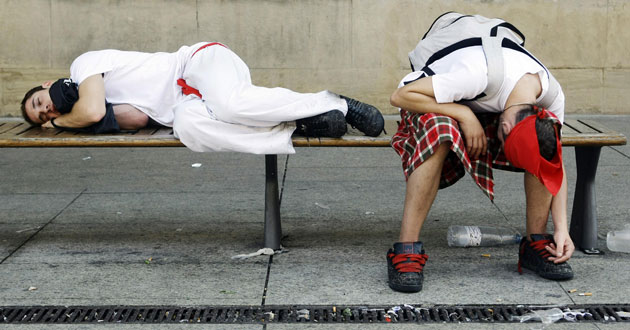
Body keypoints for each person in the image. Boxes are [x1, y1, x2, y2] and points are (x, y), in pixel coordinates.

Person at [386, 14, 574, 293]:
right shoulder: (475, 75)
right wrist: (464, 114)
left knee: (545, 137)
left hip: (491, 100)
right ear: (504, 126)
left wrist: (562, 229)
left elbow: (551, 159)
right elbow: (400, 96)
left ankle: (537, 242)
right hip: (436, 97)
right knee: (440, 128)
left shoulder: (550, 92)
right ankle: (406, 250)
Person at [21, 42, 384, 154]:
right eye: (40, 117)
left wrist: (57, 122)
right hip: (185, 104)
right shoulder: (87, 107)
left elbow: (91, 107)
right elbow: (137, 119)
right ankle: (296, 124)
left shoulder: (83, 66)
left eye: (40, 103)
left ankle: (338, 104)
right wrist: (81, 120)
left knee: (231, 105)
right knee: (190, 130)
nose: (46, 110)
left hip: (196, 63)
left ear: (46, 84)